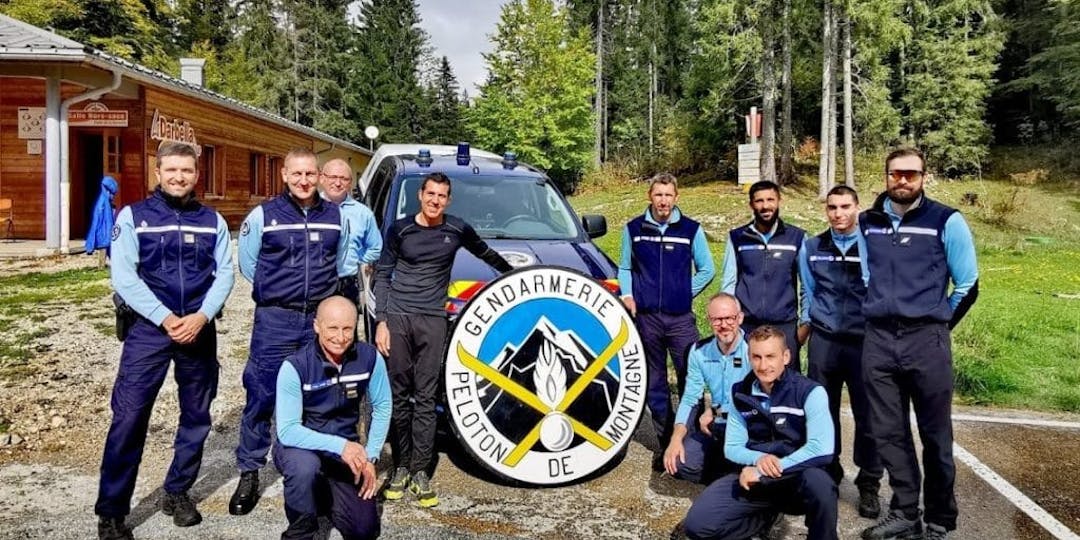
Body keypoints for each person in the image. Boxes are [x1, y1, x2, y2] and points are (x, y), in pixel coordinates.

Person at [95, 142, 234, 540]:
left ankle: (177, 491)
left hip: (198, 329)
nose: (179, 177)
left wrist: (202, 316)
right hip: (148, 332)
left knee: (196, 417)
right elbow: (124, 277)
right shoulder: (133, 217)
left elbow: (224, 274)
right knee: (129, 418)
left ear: (196, 174)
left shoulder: (213, 221)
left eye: (186, 171)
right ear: (158, 172)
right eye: (171, 170)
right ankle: (112, 511)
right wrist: (166, 318)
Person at [373, 172, 512, 508]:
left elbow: (486, 254)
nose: (435, 200)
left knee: (425, 395)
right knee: (398, 394)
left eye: (442, 196)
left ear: (448, 200)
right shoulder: (400, 229)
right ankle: (401, 466)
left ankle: (420, 471)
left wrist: (519, 276)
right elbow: (382, 273)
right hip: (399, 318)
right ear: (420, 195)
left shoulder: (457, 229)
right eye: (430, 194)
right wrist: (381, 321)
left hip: (433, 320)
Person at [859, 148, 978, 540]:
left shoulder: (946, 220)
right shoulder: (868, 222)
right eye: (896, 174)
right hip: (878, 341)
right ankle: (905, 512)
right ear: (886, 176)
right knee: (888, 433)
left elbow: (967, 285)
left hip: (927, 340)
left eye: (911, 174)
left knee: (935, 435)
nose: (903, 181)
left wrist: (938, 324)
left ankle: (940, 519)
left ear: (924, 177)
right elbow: (865, 277)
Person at [231, 148, 346, 516]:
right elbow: (249, 264)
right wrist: (278, 290)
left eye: (310, 174)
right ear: (283, 175)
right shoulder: (264, 216)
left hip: (318, 320)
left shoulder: (335, 216)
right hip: (276, 319)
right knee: (262, 394)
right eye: (296, 174)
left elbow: (340, 261)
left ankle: (317, 473)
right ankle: (250, 470)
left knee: (321, 396)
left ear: (319, 177)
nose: (304, 181)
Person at [683, 326, 836, 540]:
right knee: (696, 526)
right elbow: (732, 448)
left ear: (786, 356)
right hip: (754, 477)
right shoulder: (740, 392)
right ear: (749, 357)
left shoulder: (811, 392)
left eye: (770, 356)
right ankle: (760, 521)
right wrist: (759, 459)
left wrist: (767, 470)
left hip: (795, 475)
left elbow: (822, 449)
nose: (763, 365)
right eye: (756, 357)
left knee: (822, 485)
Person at [273, 296, 390, 540]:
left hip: (343, 450)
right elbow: (288, 430)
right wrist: (342, 446)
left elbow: (382, 405)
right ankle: (300, 530)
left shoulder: (369, 358)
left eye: (347, 328)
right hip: (302, 447)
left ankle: (325, 493)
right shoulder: (295, 366)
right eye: (332, 328)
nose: (340, 337)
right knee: (305, 468)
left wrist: (370, 456)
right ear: (317, 326)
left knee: (364, 530)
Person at [798, 185, 884, 518]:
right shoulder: (811, 247)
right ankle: (828, 472)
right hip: (825, 341)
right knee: (821, 412)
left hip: (865, 342)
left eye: (845, 206)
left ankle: (869, 483)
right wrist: (806, 326)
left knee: (869, 416)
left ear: (857, 208)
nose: (838, 213)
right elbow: (808, 291)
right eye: (832, 207)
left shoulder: (874, 246)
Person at [618, 173, 715, 451]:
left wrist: (684, 292)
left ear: (676, 197)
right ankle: (664, 442)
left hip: (680, 320)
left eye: (668, 195)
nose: (663, 201)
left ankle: (691, 442)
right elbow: (625, 267)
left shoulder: (690, 230)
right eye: (658, 195)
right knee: (655, 380)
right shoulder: (634, 229)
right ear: (650, 196)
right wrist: (628, 294)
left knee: (690, 377)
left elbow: (708, 269)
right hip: (647, 319)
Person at [662, 293, 749, 484]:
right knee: (677, 462)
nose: (724, 325)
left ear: (740, 318)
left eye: (729, 318)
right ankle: (728, 475)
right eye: (717, 319)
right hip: (716, 427)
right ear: (709, 320)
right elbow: (690, 398)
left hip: (747, 426)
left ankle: (733, 472)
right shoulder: (699, 352)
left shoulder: (754, 350)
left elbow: (757, 401)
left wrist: (715, 411)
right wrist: (675, 439)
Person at [720, 180, 806, 369]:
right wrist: (730, 322)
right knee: (745, 384)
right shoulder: (737, 238)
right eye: (759, 201)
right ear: (751, 204)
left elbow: (807, 286)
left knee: (786, 387)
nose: (765, 206)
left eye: (770, 200)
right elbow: (728, 284)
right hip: (747, 326)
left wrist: (804, 326)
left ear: (779, 201)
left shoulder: (797, 237)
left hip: (784, 326)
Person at [320, 159, 382, 305]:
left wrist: (355, 260)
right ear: (322, 178)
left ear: (350, 182)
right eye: (333, 177)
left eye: (344, 179)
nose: (338, 183)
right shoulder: (309, 209)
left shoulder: (363, 213)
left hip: (347, 283)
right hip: (316, 282)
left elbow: (375, 247)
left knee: (345, 327)